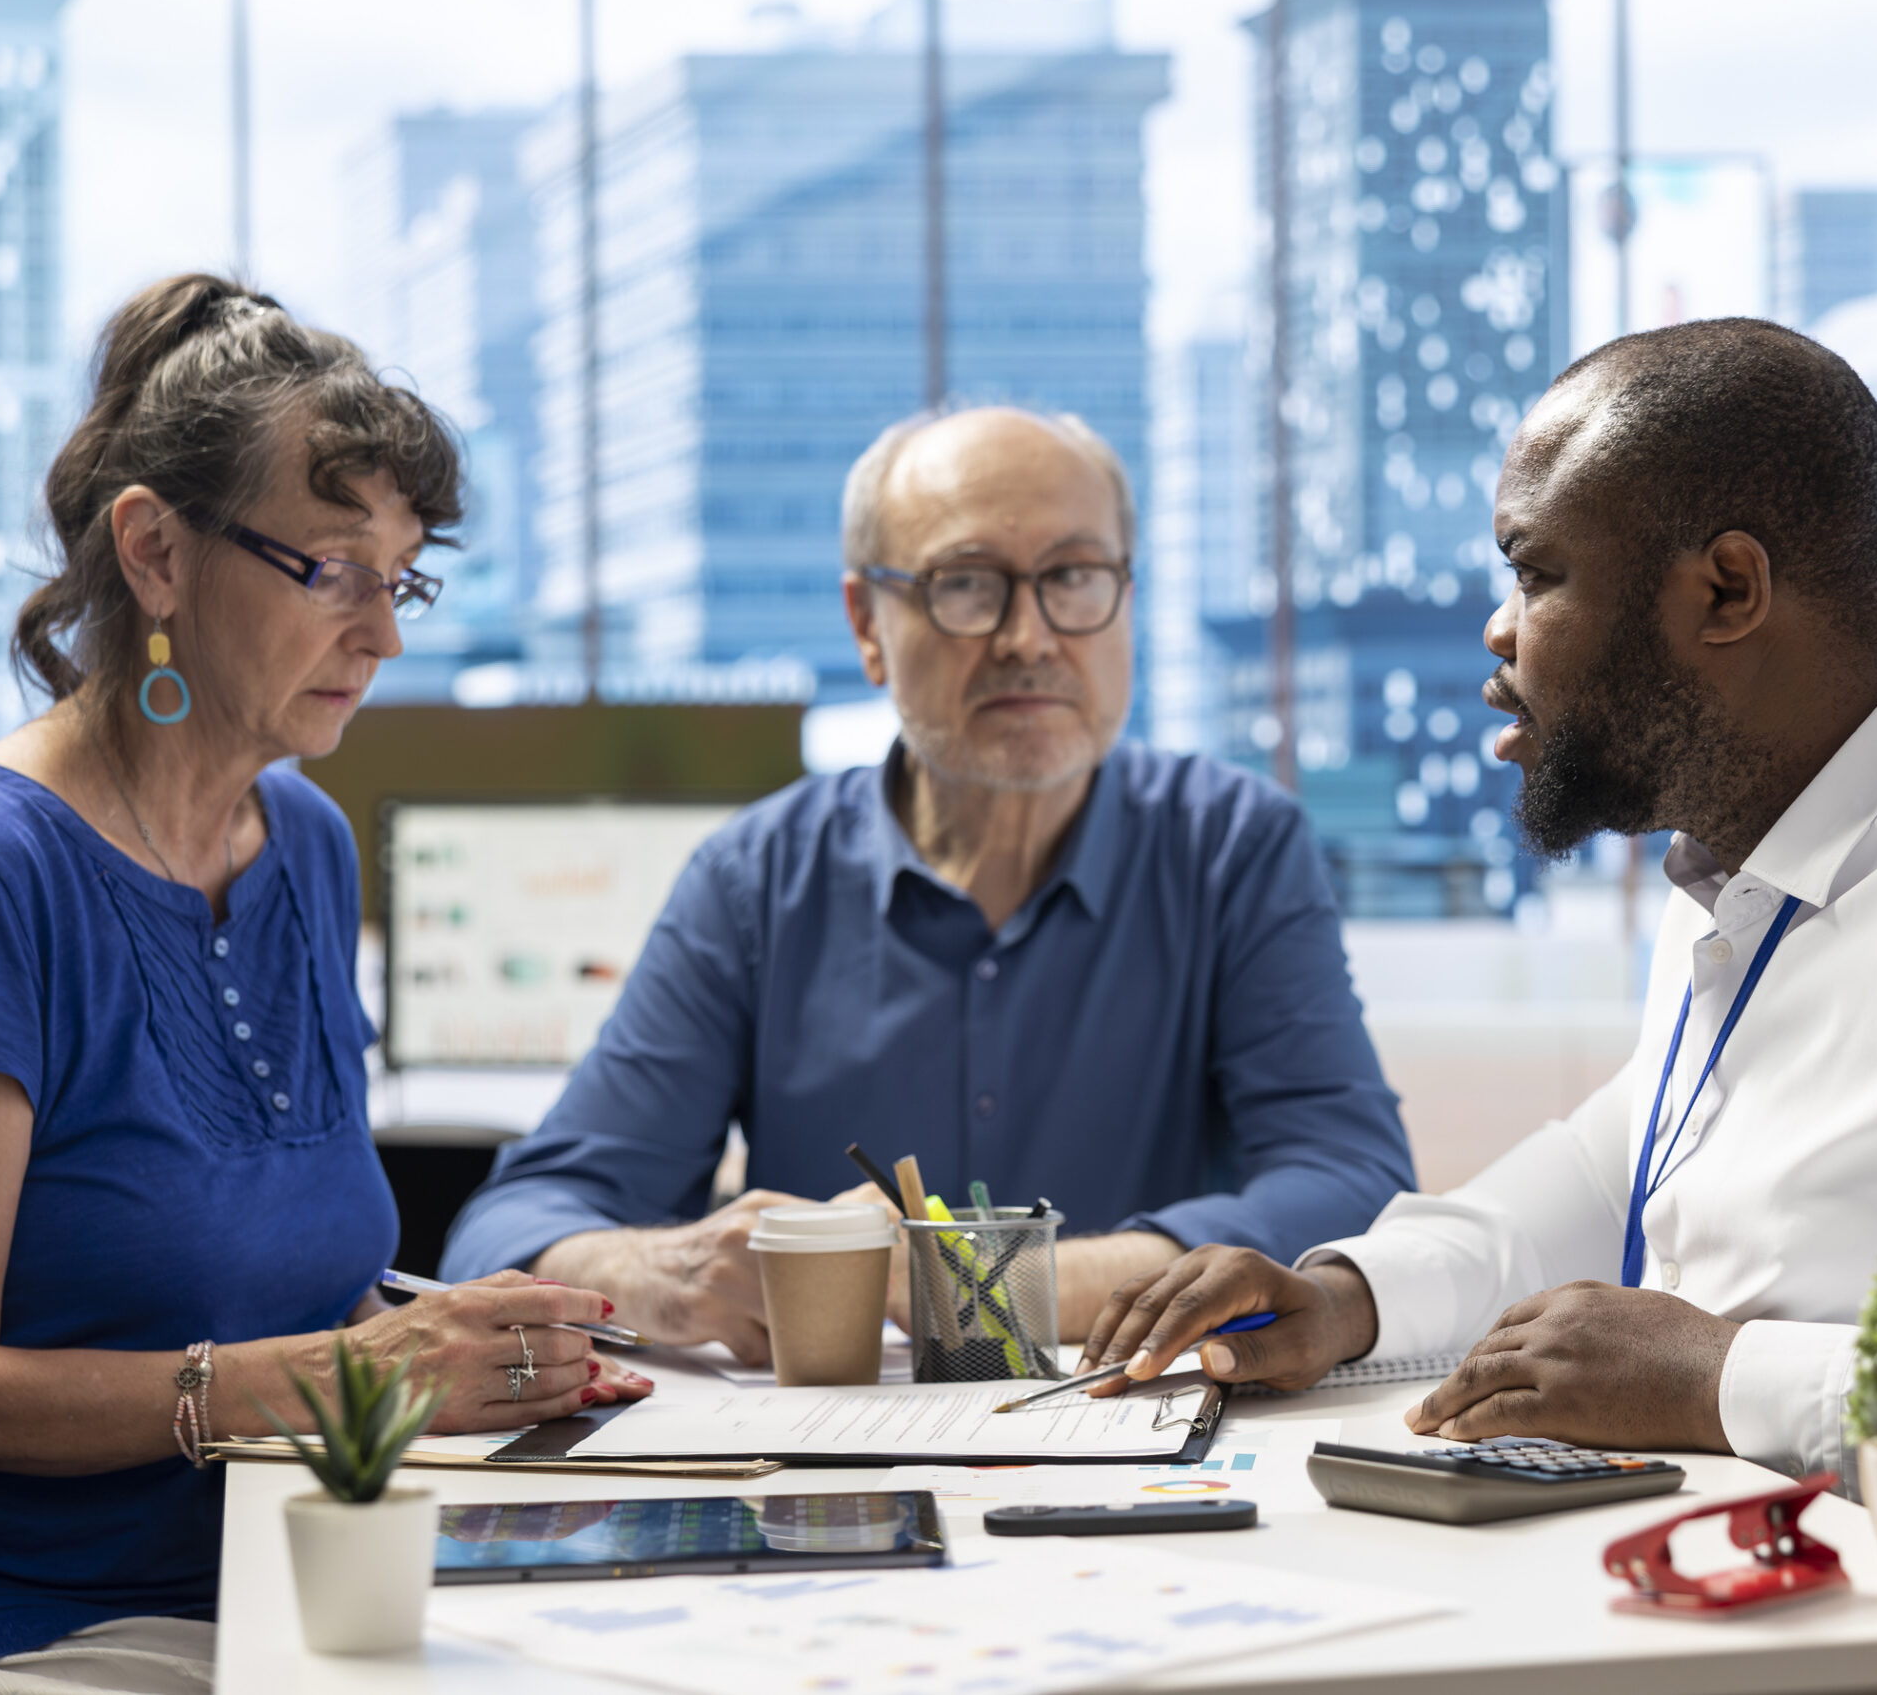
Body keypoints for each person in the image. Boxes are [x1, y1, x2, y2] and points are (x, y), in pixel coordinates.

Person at [1080, 319, 1877, 1695]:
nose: (1495, 632)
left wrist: (1721, 1373)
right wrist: (1350, 1294)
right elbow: (1627, 1159)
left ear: (1727, 588)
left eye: (1537, 571)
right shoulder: (1762, 865)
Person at [0, 275, 648, 1695]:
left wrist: (466, 1344)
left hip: (266, 1566)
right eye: (334, 569)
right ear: (156, 552)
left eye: (404, 575)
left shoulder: (297, 835)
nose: (386, 633)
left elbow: (302, 1281)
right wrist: (353, 1379)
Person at [443, 407, 1415, 1360]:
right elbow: (511, 1227)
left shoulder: (1231, 847)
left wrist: (974, 1282)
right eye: (966, 585)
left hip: (1131, 1428)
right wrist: (674, 1272)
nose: (1028, 637)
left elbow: (1353, 1182)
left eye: (1073, 578)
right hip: (826, 1467)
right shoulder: (755, 880)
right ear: (867, 623)